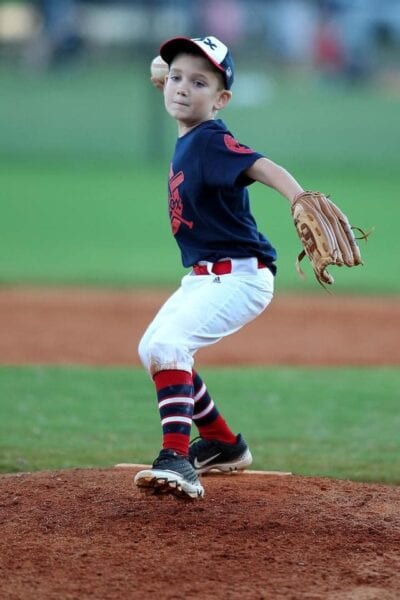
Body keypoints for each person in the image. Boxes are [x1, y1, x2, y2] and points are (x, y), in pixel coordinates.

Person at [134, 35, 304, 500]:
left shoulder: (210, 139)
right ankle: (224, 444)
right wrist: (179, 80)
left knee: (170, 344)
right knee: (153, 349)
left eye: (199, 82)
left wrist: (298, 197)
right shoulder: (191, 129)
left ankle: (176, 458)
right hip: (206, 275)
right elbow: (178, 83)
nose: (182, 88)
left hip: (240, 277)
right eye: (175, 79)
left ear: (222, 98)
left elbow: (259, 165)